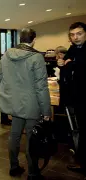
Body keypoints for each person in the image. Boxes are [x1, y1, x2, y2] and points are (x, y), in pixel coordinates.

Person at [0, 28, 51, 180]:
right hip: (32, 104)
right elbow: (41, 87)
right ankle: (33, 172)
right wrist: (46, 111)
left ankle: (14, 167)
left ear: (20, 39)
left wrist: (9, 92)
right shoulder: (36, 57)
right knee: (32, 139)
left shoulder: (7, 54)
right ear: (34, 40)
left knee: (14, 135)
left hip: (14, 103)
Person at [58, 22, 86, 176]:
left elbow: (76, 64)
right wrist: (62, 63)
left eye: (79, 33)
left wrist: (73, 64)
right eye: (73, 35)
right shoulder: (74, 48)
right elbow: (67, 61)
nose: (76, 37)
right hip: (77, 97)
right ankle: (82, 162)